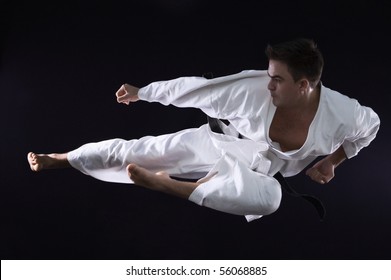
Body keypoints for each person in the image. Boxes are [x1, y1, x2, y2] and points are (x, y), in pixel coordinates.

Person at [27, 38, 380, 222]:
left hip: (258, 172)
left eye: (277, 80)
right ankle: (62, 159)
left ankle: (177, 187)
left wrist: (334, 160)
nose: (268, 84)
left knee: (271, 199)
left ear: (304, 85)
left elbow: (370, 129)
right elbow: (193, 89)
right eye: (268, 75)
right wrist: (143, 93)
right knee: (130, 152)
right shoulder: (248, 90)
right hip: (217, 143)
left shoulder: (346, 115)